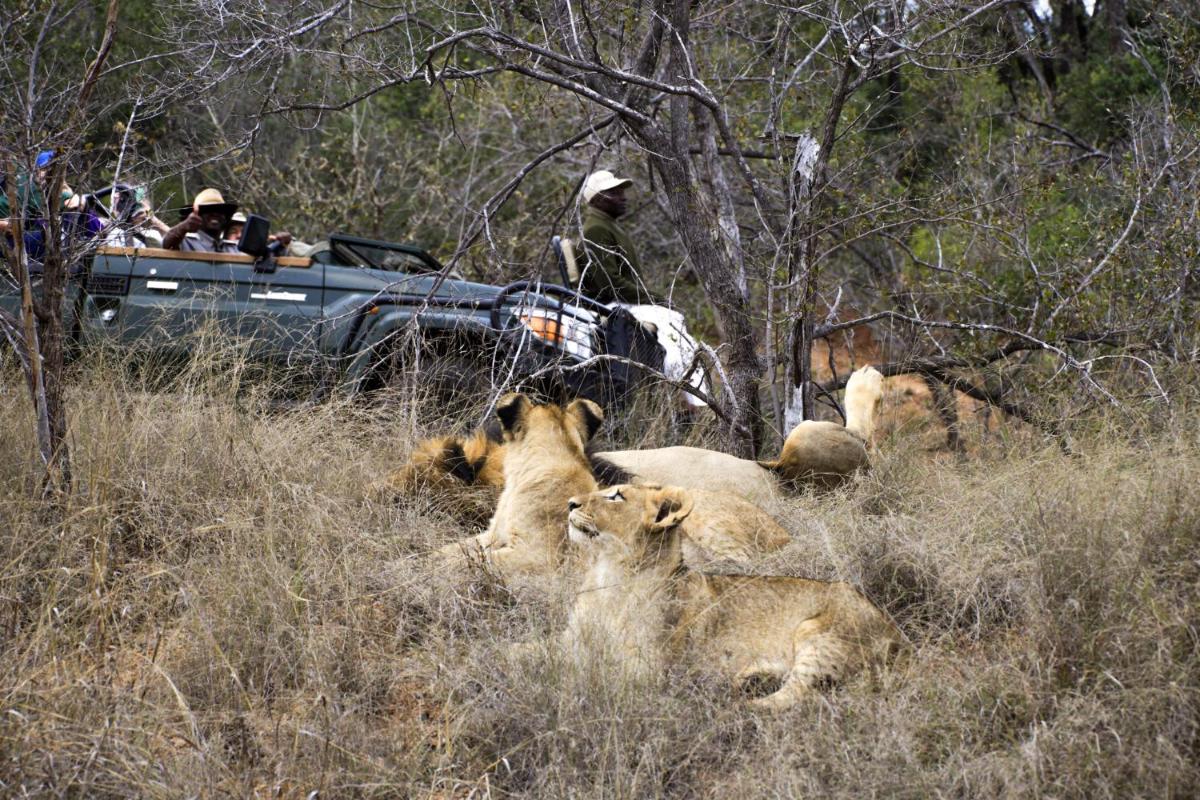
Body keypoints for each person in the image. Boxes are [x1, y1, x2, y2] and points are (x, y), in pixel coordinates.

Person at [579, 169, 646, 304]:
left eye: (621, 192)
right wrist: (654, 299)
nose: (623, 197)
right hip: (615, 309)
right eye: (614, 193)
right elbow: (610, 284)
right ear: (596, 200)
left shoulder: (607, 224)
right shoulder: (596, 229)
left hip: (627, 304)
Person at [161, 188, 240, 253]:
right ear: (197, 216)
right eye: (208, 210)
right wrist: (184, 227)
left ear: (225, 218)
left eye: (220, 211)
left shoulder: (233, 249)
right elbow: (167, 244)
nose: (215, 214)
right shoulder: (186, 242)